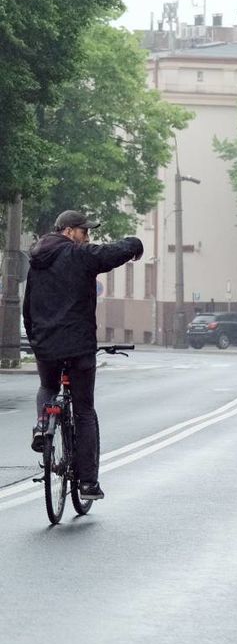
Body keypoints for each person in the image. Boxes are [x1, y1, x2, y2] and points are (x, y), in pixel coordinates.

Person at [23, 211, 144, 501]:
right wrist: (135, 243)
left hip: (46, 344)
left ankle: (43, 426)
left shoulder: (37, 261)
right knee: (84, 410)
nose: (87, 236)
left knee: (48, 387)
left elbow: (28, 308)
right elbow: (111, 253)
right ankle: (88, 483)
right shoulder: (79, 256)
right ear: (67, 231)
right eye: (83, 231)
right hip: (78, 347)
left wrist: (36, 339)